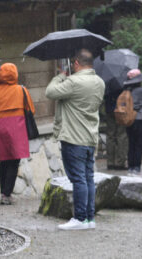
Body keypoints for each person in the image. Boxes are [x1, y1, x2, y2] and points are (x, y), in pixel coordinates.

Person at [45, 48, 105, 230]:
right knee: (88, 178)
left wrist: (60, 76)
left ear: (77, 63)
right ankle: (89, 218)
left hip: (73, 137)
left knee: (78, 179)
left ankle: (79, 218)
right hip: (89, 136)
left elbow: (50, 92)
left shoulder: (73, 82)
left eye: (72, 63)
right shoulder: (99, 82)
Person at [0, 63, 35, 205]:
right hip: (17, 128)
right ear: (15, 74)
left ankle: (3, 192)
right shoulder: (21, 90)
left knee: (4, 159)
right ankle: (7, 194)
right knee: (14, 160)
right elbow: (31, 110)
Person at [123, 69, 142, 177]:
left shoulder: (126, 91)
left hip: (128, 119)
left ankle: (130, 168)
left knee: (131, 144)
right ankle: (137, 169)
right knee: (139, 144)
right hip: (140, 119)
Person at [104, 79, 129, 170]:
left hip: (109, 109)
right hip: (121, 110)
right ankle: (120, 162)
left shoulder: (106, 80)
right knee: (121, 135)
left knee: (110, 136)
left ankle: (110, 162)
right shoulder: (122, 80)